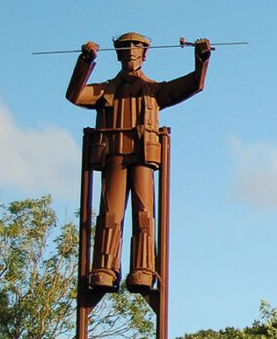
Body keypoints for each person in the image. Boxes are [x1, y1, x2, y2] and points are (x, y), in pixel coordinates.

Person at [66, 32, 211, 292]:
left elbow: (192, 85)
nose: (131, 52)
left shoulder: (154, 90)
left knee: (144, 214)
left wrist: (201, 61)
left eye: (136, 47)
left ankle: (143, 269)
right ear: (118, 54)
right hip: (113, 157)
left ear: (145, 54)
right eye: (125, 48)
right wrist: (85, 62)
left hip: (144, 157)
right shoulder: (105, 91)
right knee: (110, 214)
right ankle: (104, 268)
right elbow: (75, 95)